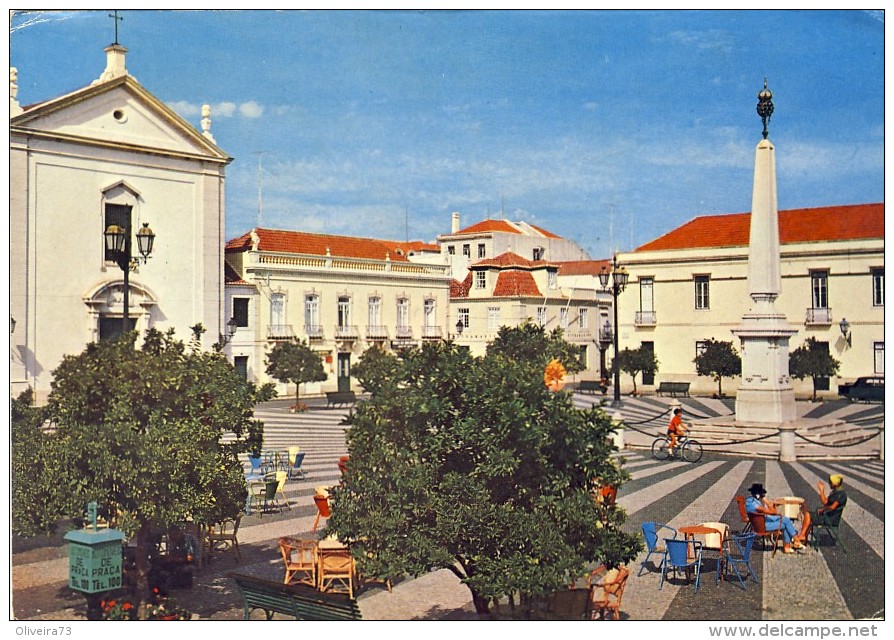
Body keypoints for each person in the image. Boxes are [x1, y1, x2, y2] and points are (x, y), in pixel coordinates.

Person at [745, 483, 809, 554]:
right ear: (758, 495)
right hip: (763, 526)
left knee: (786, 520)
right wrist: (767, 502)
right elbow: (774, 512)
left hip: (758, 523)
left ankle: (792, 543)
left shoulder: (749, 501)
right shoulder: (757, 506)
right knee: (786, 522)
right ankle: (793, 542)